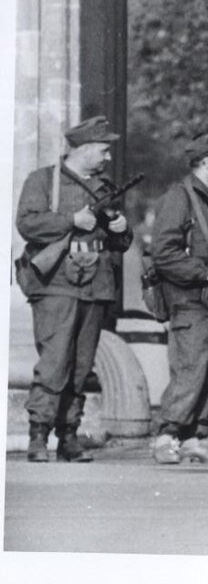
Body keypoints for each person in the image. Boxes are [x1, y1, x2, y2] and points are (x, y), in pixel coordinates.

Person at [15, 116, 133, 462]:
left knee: (82, 365)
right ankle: (38, 436)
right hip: (57, 283)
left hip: (95, 283)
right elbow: (27, 224)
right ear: (81, 149)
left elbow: (120, 243)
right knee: (54, 361)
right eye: (102, 149)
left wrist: (120, 229)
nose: (107, 157)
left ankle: (69, 434)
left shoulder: (105, 188)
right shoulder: (42, 181)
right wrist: (70, 221)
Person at [150, 130, 208, 465]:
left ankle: (192, 439)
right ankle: (166, 436)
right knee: (190, 371)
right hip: (191, 299)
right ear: (206, 160)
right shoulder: (180, 198)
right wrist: (206, 273)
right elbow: (164, 253)